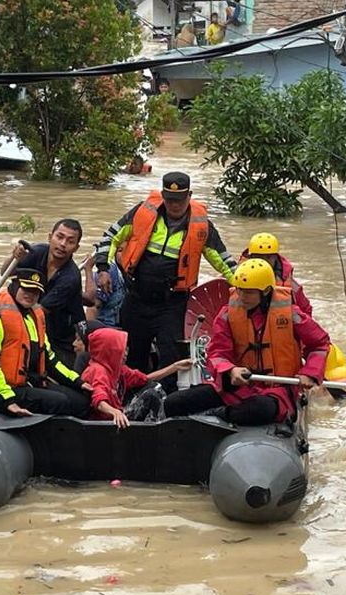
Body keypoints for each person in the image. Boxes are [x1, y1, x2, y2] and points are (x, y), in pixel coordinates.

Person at [93, 172, 237, 390]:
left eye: (179, 200)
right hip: (137, 299)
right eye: (169, 200)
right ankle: (130, 399)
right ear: (162, 195)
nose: (174, 205)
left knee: (170, 358)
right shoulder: (143, 213)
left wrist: (246, 285)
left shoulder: (201, 227)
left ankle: (166, 400)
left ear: (189, 196)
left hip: (172, 304)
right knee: (133, 356)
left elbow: (224, 262)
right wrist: (103, 268)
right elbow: (110, 236)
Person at [163, 259, 331, 425]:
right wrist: (230, 369)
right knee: (174, 402)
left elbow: (320, 343)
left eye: (249, 292)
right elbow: (217, 352)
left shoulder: (291, 315)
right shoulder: (227, 314)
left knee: (260, 409)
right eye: (240, 290)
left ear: (266, 291)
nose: (242, 297)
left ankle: (220, 414)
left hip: (278, 389)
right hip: (238, 385)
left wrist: (309, 373)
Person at [0, 267, 89, 417]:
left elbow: (51, 360)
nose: (30, 295)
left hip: (27, 383)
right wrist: (8, 400)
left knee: (81, 401)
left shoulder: (33, 319)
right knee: (59, 401)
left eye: (35, 292)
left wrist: (78, 382)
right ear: (15, 286)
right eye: (26, 289)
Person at [4, 218, 85, 367]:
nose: (63, 244)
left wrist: (6, 314)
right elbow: (5, 273)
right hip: (36, 326)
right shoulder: (37, 252)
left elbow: (38, 311)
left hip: (61, 339)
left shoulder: (71, 277)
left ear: (76, 248)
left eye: (70, 241)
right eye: (59, 237)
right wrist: (14, 258)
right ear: (50, 237)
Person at [81, 327, 193, 428]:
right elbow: (99, 401)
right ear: (111, 350)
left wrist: (175, 367)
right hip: (104, 424)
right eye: (121, 350)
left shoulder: (118, 369)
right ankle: (157, 431)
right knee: (151, 395)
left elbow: (145, 379)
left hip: (118, 415)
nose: (126, 353)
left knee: (155, 387)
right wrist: (115, 412)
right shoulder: (99, 371)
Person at [238, 232, 313, 317]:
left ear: (275, 257)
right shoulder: (239, 279)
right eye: (259, 257)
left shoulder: (291, 285)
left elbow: (306, 310)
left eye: (268, 257)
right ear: (251, 258)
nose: (264, 261)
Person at [81, 255, 124, 327]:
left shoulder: (136, 270)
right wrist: (88, 331)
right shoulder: (109, 273)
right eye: (120, 251)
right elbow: (93, 308)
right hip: (107, 326)